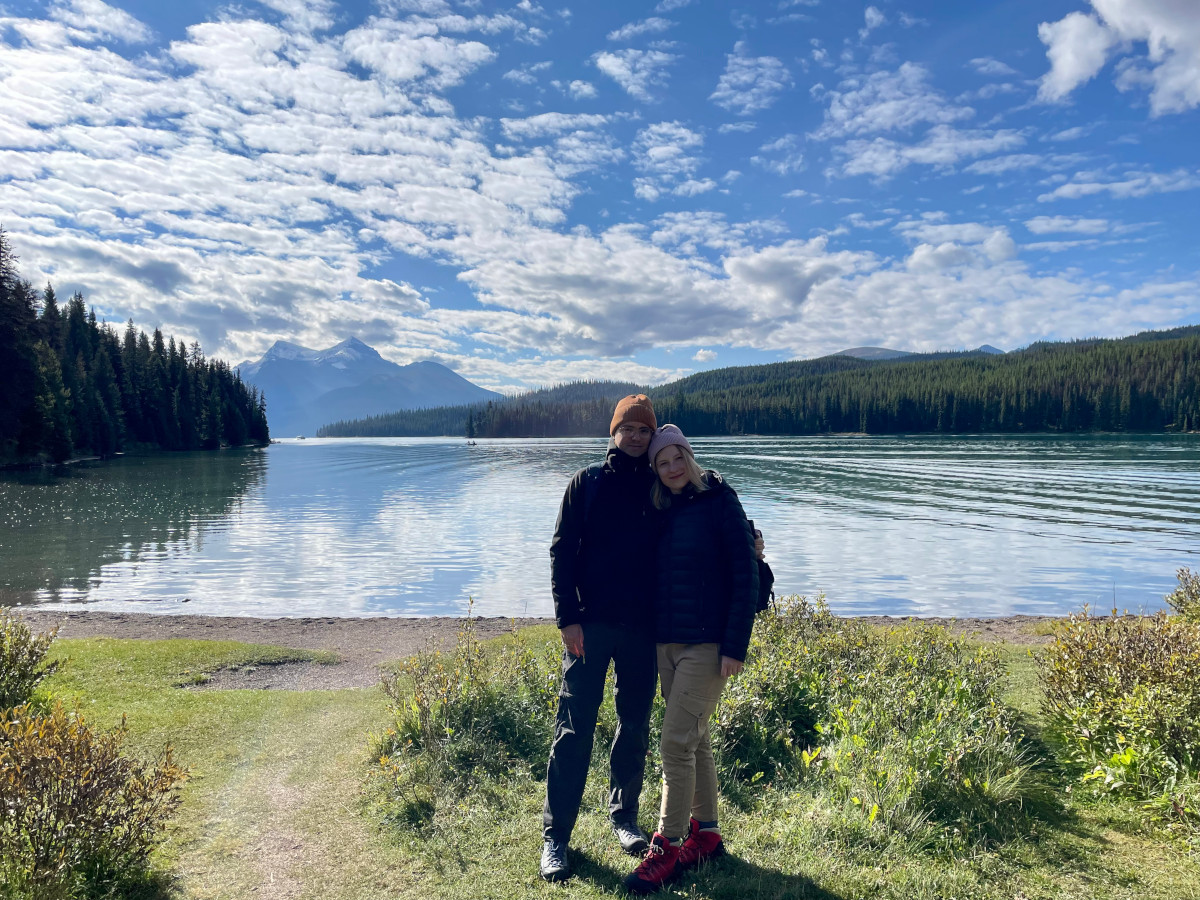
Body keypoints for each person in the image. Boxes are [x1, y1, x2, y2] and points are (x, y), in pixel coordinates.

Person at [625, 424, 759, 894]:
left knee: (675, 744)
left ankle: (667, 847)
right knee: (696, 739)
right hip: (668, 643)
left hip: (707, 644)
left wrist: (734, 646)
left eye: (677, 458)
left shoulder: (720, 500)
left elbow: (746, 574)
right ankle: (707, 833)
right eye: (662, 464)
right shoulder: (663, 509)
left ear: (689, 455)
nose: (672, 468)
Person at [540, 394, 661, 882]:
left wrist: (749, 538)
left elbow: (701, 525)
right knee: (574, 730)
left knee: (634, 725)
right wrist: (567, 619)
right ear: (613, 433)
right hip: (589, 627)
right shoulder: (586, 484)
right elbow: (561, 552)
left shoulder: (661, 487)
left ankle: (624, 817)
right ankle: (556, 837)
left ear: (653, 438)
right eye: (628, 428)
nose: (635, 437)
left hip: (643, 631)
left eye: (644, 430)